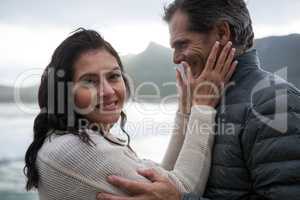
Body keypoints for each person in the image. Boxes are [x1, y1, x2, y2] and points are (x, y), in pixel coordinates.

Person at [96, 0, 300, 200]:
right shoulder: (205, 98)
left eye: (182, 44)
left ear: (222, 33)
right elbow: (175, 178)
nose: (175, 58)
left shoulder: (273, 101)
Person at [23, 28, 237, 199]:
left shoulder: (73, 137)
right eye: (89, 81)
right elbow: (184, 189)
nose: (108, 91)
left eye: (114, 76)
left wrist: (185, 109)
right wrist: (204, 106)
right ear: (65, 91)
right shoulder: (78, 149)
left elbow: (162, 183)